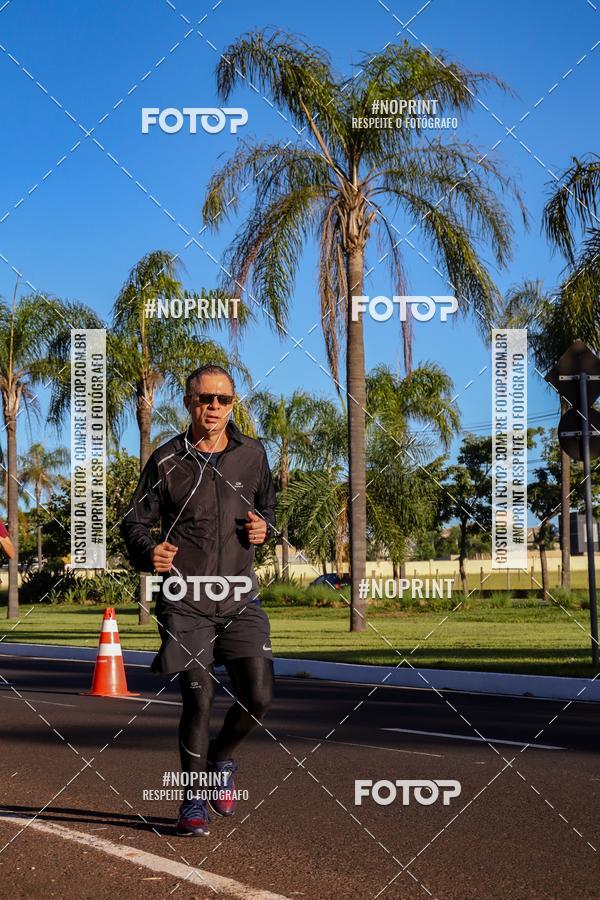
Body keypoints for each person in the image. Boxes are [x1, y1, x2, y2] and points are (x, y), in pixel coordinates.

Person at [121, 364, 276, 837]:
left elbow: (267, 507)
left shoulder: (252, 454)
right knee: (198, 698)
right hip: (184, 600)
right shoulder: (166, 460)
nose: (214, 407)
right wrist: (152, 552)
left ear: (233, 404)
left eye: (223, 400)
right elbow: (132, 523)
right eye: (204, 399)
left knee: (259, 695)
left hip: (238, 596)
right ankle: (190, 803)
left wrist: (264, 527)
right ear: (188, 403)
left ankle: (221, 760)